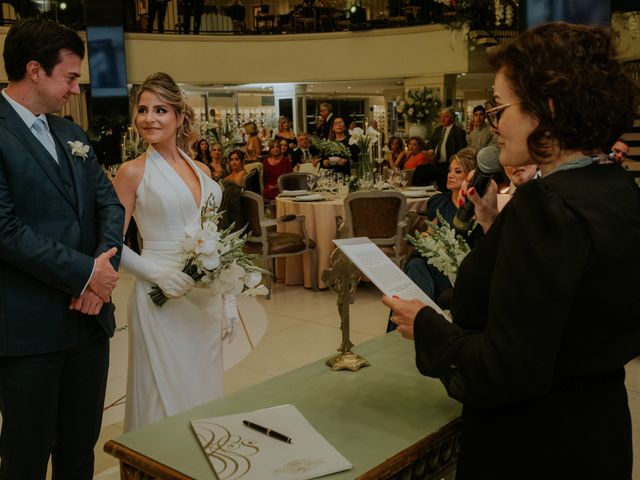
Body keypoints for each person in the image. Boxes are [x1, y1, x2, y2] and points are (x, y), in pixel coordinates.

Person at [385, 23, 640, 479]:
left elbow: (505, 370)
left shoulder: (546, 207)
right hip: (598, 431)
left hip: (534, 444)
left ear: (548, 108)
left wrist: (425, 326)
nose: (492, 123)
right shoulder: (617, 187)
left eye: (499, 108)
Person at [0, 18, 124, 479]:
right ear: (35, 70)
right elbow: (6, 230)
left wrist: (100, 275)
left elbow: (109, 205)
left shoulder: (73, 135)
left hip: (88, 326)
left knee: (79, 450)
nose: (76, 87)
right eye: (70, 76)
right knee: (25, 457)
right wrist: (84, 274)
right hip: (28, 333)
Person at [113, 72, 239, 432]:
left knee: (204, 391)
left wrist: (229, 297)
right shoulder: (132, 172)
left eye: (161, 110)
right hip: (159, 300)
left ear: (180, 117)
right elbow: (109, 244)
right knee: (159, 396)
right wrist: (158, 274)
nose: (149, 118)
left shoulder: (201, 169)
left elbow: (216, 238)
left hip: (204, 300)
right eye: (143, 109)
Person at [427, 108, 467, 190]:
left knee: (447, 188)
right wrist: (431, 150)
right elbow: (431, 142)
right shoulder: (438, 130)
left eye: (445, 117)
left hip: (449, 164)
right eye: (441, 117)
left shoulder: (459, 132)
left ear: (451, 118)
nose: (442, 119)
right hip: (437, 163)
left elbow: (461, 150)